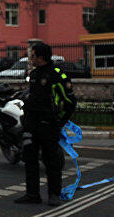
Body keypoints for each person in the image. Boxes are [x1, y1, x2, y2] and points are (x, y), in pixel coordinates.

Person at [15, 43, 77, 207]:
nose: (31, 59)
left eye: (32, 56)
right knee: (30, 160)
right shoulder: (34, 74)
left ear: (41, 57)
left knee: (52, 162)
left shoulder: (56, 75)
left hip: (48, 126)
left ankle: (54, 195)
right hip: (31, 125)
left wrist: (59, 122)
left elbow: (70, 101)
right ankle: (32, 194)